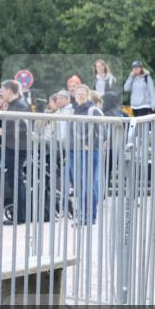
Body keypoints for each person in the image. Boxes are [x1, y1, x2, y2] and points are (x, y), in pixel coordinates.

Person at [0, 80, 32, 224]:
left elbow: (24, 127)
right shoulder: (14, 105)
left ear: (10, 91)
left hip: (17, 147)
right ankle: (19, 215)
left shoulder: (20, 106)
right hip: (13, 146)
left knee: (16, 181)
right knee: (14, 181)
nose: (1, 93)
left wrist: (3, 131)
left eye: (2, 90)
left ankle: (20, 216)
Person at [71, 84, 103, 224]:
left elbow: (104, 133)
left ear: (88, 95)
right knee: (81, 184)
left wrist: (91, 143)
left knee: (88, 184)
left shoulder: (93, 111)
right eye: (77, 93)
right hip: (76, 151)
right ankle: (84, 215)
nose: (80, 95)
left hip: (90, 151)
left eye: (83, 93)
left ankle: (89, 216)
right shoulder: (74, 111)